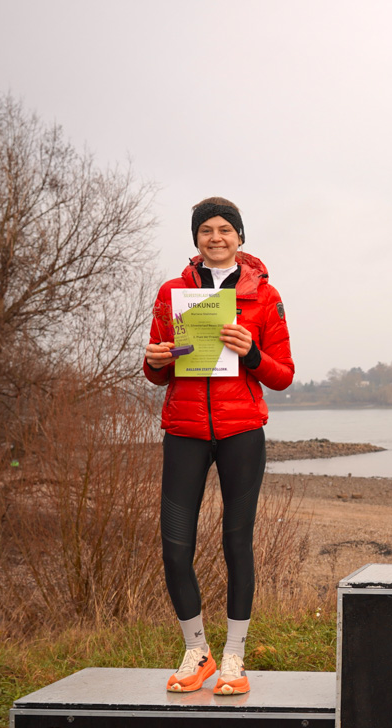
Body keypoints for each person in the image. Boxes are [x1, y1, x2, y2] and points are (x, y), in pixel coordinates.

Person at [143, 198, 294, 694]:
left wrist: (251, 354)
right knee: (174, 547)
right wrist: (156, 359)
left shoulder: (265, 296)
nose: (216, 237)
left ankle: (234, 657)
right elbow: (155, 371)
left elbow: (283, 375)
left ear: (240, 237)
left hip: (241, 432)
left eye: (225, 229)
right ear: (196, 239)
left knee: (237, 544)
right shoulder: (172, 293)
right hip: (184, 431)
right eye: (206, 229)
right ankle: (197, 652)